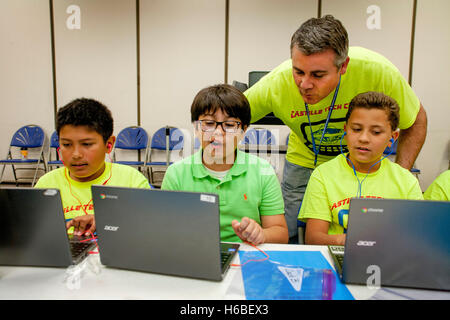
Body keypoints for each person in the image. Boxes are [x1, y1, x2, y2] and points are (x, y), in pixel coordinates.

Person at [244, 14, 427, 243]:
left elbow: (416, 120)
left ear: (343, 66)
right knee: (289, 233)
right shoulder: (277, 83)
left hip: (364, 163)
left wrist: (400, 175)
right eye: (298, 72)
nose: (305, 84)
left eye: (318, 75)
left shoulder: (378, 72)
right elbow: (231, 114)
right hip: (305, 162)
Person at [161, 84, 288, 245]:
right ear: (195, 127)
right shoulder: (176, 173)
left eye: (229, 125)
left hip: (247, 255)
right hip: (193, 252)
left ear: (243, 131)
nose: (218, 133)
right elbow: (165, 230)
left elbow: (280, 233)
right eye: (208, 123)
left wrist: (262, 234)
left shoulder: (263, 171)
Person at [298, 91, 424, 245]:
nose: (363, 138)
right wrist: (352, 241)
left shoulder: (406, 181)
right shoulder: (323, 175)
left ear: (392, 138)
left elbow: (416, 239)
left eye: (376, 132)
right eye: (356, 129)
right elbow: (313, 238)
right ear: (345, 130)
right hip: (337, 257)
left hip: (388, 260)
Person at [34, 98, 150, 236]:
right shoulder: (46, 184)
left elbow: (147, 230)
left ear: (109, 144)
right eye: (66, 144)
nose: (76, 154)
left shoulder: (131, 181)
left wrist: (107, 222)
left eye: (87, 144)